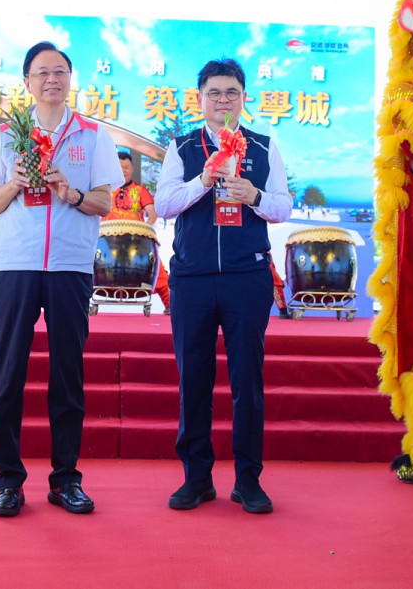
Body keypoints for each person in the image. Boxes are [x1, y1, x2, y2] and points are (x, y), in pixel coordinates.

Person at [0, 41, 123, 518]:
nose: (52, 79)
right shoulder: (4, 137)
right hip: (16, 267)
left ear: (70, 80)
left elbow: (104, 203)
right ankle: (8, 482)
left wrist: (69, 191)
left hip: (69, 268)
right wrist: (17, 182)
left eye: (60, 72)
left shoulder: (93, 136)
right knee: (9, 373)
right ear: (27, 83)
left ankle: (65, 480)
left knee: (67, 377)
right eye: (42, 73)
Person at [154, 58, 291, 514]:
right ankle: (196, 478)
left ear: (244, 98)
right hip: (191, 279)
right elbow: (165, 205)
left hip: (246, 277)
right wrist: (204, 179)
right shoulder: (182, 147)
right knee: (193, 380)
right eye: (214, 93)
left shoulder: (265, 147)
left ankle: (248, 480)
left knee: (246, 382)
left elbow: (283, 206)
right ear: (200, 99)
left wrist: (254, 196)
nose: (223, 100)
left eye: (231, 92)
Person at [104, 151, 171, 311]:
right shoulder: (105, 190)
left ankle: (172, 307)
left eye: (126, 167)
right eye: (120, 167)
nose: (123, 171)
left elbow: (152, 211)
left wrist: (147, 228)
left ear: (132, 168)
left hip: (136, 241)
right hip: (108, 242)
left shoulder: (139, 190)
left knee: (158, 271)